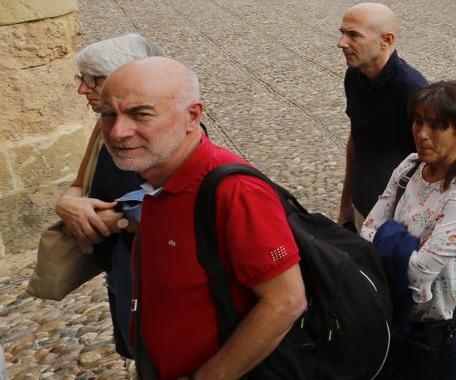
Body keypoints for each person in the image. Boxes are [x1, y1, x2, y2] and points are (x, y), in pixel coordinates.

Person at [99, 58, 305, 379]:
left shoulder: (235, 191)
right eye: (108, 114)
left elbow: (286, 302)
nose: (117, 131)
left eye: (141, 114)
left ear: (192, 116)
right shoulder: (156, 171)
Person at [361, 82, 456, 380]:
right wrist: (407, 245)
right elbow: (367, 230)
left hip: (447, 333)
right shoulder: (410, 168)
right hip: (401, 321)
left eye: (436, 126)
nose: (422, 134)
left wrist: (390, 239)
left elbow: (420, 271)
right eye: (418, 121)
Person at [55, 34, 162, 358]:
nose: (81, 89)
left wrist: (113, 222)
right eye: (81, 79)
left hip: (160, 267)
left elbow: (188, 207)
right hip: (120, 261)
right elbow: (78, 184)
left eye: (92, 80)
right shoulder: (103, 127)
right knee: (136, 343)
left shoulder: (171, 132)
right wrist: (66, 203)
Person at [337, 3, 429, 227]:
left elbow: (435, 161)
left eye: (353, 35)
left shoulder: (413, 90)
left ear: (386, 40)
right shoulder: (354, 76)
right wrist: (346, 201)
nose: (341, 44)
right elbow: (356, 140)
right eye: (342, 33)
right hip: (363, 204)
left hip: (398, 217)